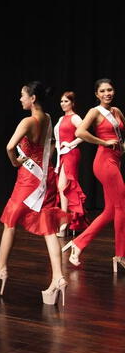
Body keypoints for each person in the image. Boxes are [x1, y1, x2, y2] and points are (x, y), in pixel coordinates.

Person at [0, 82, 69, 305]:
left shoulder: (28, 121)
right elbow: (48, 144)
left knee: (10, 221)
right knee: (49, 226)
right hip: (46, 177)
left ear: (32, 98)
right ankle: (58, 278)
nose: (20, 99)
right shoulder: (49, 118)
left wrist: (15, 162)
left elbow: (10, 147)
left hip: (28, 180)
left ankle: (0, 270)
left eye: (22, 95)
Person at [63, 78, 124, 273]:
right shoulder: (95, 112)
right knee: (122, 206)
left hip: (115, 160)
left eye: (110, 90)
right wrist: (103, 142)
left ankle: (78, 244)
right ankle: (120, 255)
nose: (108, 93)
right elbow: (80, 132)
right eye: (103, 91)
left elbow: (122, 138)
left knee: (110, 211)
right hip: (104, 162)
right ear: (97, 94)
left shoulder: (117, 112)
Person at [54, 91, 87, 238]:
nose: (63, 104)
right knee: (62, 187)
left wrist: (71, 143)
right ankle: (69, 221)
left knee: (64, 186)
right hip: (62, 154)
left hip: (72, 154)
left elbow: (83, 134)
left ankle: (65, 223)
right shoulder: (61, 118)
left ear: (73, 103)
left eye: (66, 101)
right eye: (61, 101)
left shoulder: (75, 117)